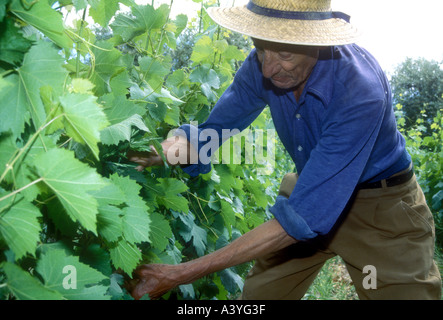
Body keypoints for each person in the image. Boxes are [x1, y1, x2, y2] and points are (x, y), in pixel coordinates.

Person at [126, 0, 442, 300]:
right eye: (261, 50)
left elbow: (300, 220)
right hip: (308, 189)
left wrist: (182, 273)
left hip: (380, 211)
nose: (268, 70)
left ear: (317, 42)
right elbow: (214, 131)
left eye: (284, 55)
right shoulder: (262, 65)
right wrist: (169, 149)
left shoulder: (360, 93)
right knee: (259, 297)